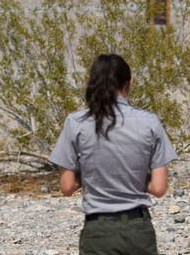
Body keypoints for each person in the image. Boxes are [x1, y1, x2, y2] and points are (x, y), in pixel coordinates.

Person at [49, 53, 178, 255]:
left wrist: (93, 172)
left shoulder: (76, 122)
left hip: (98, 231)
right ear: (129, 83)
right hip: (138, 229)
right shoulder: (149, 122)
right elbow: (159, 188)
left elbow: (66, 187)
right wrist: (132, 175)